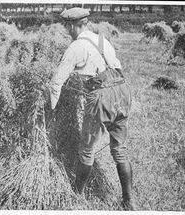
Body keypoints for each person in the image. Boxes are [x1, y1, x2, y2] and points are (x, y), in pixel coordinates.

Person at [48, 7, 136, 210]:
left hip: (100, 95)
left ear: (71, 25)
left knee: (87, 148)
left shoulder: (76, 47)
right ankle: (128, 200)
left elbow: (56, 82)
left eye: (66, 27)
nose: (66, 31)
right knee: (119, 149)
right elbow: (118, 67)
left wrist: (51, 108)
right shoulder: (102, 40)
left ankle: (76, 196)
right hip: (122, 91)